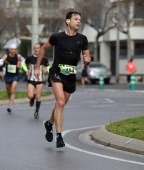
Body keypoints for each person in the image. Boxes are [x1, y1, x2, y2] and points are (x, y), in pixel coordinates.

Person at [34, 11, 91, 148]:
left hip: (70, 75)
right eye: (76, 19)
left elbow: (87, 57)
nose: (79, 21)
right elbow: (42, 49)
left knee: (61, 105)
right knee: (59, 102)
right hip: (57, 72)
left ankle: (49, 124)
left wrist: (87, 60)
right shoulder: (57, 37)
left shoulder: (82, 39)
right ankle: (59, 136)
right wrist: (37, 67)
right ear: (68, 21)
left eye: (80, 19)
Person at [0, 44, 27, 113]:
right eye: (12, 49)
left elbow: (24, 61)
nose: (13, 51)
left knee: (12, 90)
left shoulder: (18, 56)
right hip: (8, 76)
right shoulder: (6, 56)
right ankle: (11, 100)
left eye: (15, 49)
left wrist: (22, 66)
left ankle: (10, 105)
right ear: (9, 50)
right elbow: (2, 64)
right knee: (8, 91)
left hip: (15, 75)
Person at [25, 43, 50, 119]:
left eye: (37, 48)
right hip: (31, 79)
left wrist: (46, 69)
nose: (36, 49)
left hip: (40, 80)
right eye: (35, 48)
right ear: (33, 49)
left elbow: (48, 66)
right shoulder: (29, 58)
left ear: (40, 49)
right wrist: (27, 70)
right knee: (30, 95)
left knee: (38, 96)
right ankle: (32, 99)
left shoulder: (44, 58)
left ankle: (36, 111)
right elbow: (24, 65)